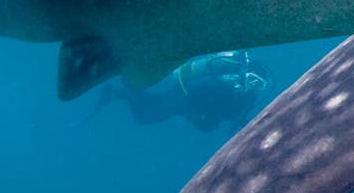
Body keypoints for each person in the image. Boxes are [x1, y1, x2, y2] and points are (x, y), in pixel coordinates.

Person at [99, 50, 272, 133]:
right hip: (184, 97)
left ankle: (122, 89)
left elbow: (226, 119)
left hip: (190, 107)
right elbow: (197, 90)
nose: (252, 85)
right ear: (244, 74)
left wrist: (207, 121)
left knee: (148, 113)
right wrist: (195, 112)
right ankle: (123, 87)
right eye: (251, 78)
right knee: (146, 115)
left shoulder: (248, 100)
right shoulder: (223, 83)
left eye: (258, 84)